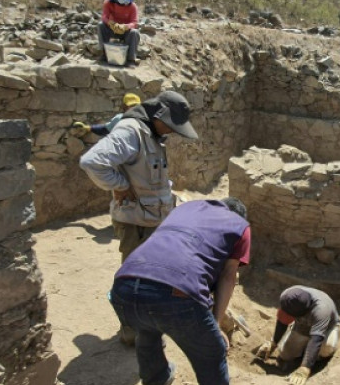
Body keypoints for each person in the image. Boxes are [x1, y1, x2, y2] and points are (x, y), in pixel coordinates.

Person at [79, 90, 198, 345]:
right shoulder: (132, 130)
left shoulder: (152, 134)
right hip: (136, 223)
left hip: (152, 221)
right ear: (158, 115)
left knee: (151, 278)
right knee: (134, 280)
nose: (172, 131)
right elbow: (92, 162)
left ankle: (144, 326)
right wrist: (120, 185)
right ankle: (132, 333)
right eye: (170, 125)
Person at [109, 197, 251, 385]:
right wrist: (215, 324)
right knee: (213, 351)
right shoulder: (240, 226)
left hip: (123, 288)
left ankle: (157, 379)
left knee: (147, 329)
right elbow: (228, 275)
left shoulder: (186, 209)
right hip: (175, 294)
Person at [254, 286, 340, 385]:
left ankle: (316, 359)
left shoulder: (321, 310)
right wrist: (273, 342)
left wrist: (305, 368)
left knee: (327, 348)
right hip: (303, 326)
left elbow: (316, 339)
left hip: (326, 328)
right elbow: (282, 320)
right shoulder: (289, 296)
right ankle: (305, 352)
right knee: (285, 354)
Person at [99, 0, 141, 66]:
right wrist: (111, 23)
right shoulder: (108, 3)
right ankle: (104, 54)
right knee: (101, 25)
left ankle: (131, 59)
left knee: (134, 32)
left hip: (125, 32)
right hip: (113, 29)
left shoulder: (132, 6)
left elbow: (135, 22)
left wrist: (125, 26)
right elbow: (104, 17)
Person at [72, 92, 142, 137]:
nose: (134, 108)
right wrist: (89, 128)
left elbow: (104, 130)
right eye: (131, 106)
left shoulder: (120, 119)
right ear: (125, 106)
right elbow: (104, 129)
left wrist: (88, 128)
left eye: (135, 106)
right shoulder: (144, 119)